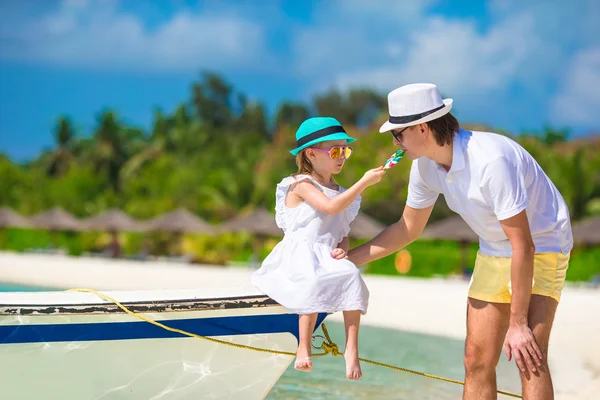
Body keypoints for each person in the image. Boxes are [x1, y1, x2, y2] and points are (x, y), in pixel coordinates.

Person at [347, 83, 573, 399]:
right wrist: (347, 260)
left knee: (528, 355)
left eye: (397, 134)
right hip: (494, 246)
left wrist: (518, 323)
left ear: (422, 128)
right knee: (475, 360)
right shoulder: (424, 167)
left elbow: (524, 245)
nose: (395, 142)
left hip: (543, 242)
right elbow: (407, 229)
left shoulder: (491, 161)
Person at [251, 116, 385, 380]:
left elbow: (341, 231)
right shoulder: (301, 184)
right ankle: (304, 346)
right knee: (311, 281)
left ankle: (351, 349)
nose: (342, 157)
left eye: (345, 150)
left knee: (352, 277)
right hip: (299, 253)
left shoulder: (340, 190)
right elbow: (329, 207)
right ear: (311, 154)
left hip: (324, 253)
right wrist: (364, 183)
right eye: (335, 151)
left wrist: (342, 249)